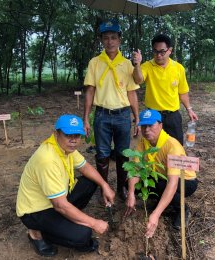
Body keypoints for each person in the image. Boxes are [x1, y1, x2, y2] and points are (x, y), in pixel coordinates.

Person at [16, 114, 115, 257]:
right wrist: (94, 223)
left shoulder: (66, 148)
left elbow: (85, 167)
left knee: (91, 181)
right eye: (68, 135)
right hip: (36, 211)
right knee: (84, 236)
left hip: (55, 200)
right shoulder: (47, 159)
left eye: (77, 135)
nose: (73, 140)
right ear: (56, 134)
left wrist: (104, 185)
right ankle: (36, 233)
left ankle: (64, 221)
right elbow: (60, 205)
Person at [84, 20, 140, 201]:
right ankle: (104, 187)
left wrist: (136, 118)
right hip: (102, 115)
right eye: (106, 38)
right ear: (101, 40)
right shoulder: (95, 63)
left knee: (124, 154)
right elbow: (90, 90)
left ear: (120, 40)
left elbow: (132, 93)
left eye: (114, 38)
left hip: (123, 115)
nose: (110, 42)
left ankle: (122, 187)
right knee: (102, 154)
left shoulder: (127, 64)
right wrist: (85, 118)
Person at [125, 109, 198, 237]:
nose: (146, 130)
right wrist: (131, 194)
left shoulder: (172, 146)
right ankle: (163, 201)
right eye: (143, 126)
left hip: (185, 182)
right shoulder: (143, 142)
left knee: (161, 185)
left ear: (160, 125)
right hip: (161, 175)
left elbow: (173, 183)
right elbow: (136, 170)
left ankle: (182, 210)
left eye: (151, 125)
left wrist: (156, 214)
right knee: (130, 184)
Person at [132, 34, 198, 145]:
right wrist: (137, 64)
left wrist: (189, 109)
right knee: (154, 147)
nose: (158, 55)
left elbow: (182, 92)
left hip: (173, 115)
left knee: (175, 146)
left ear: (169, 50)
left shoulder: (178, 68)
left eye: (162, 52)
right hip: (153, 116)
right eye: (155, 51)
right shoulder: (147, 66)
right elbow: (138, 80)